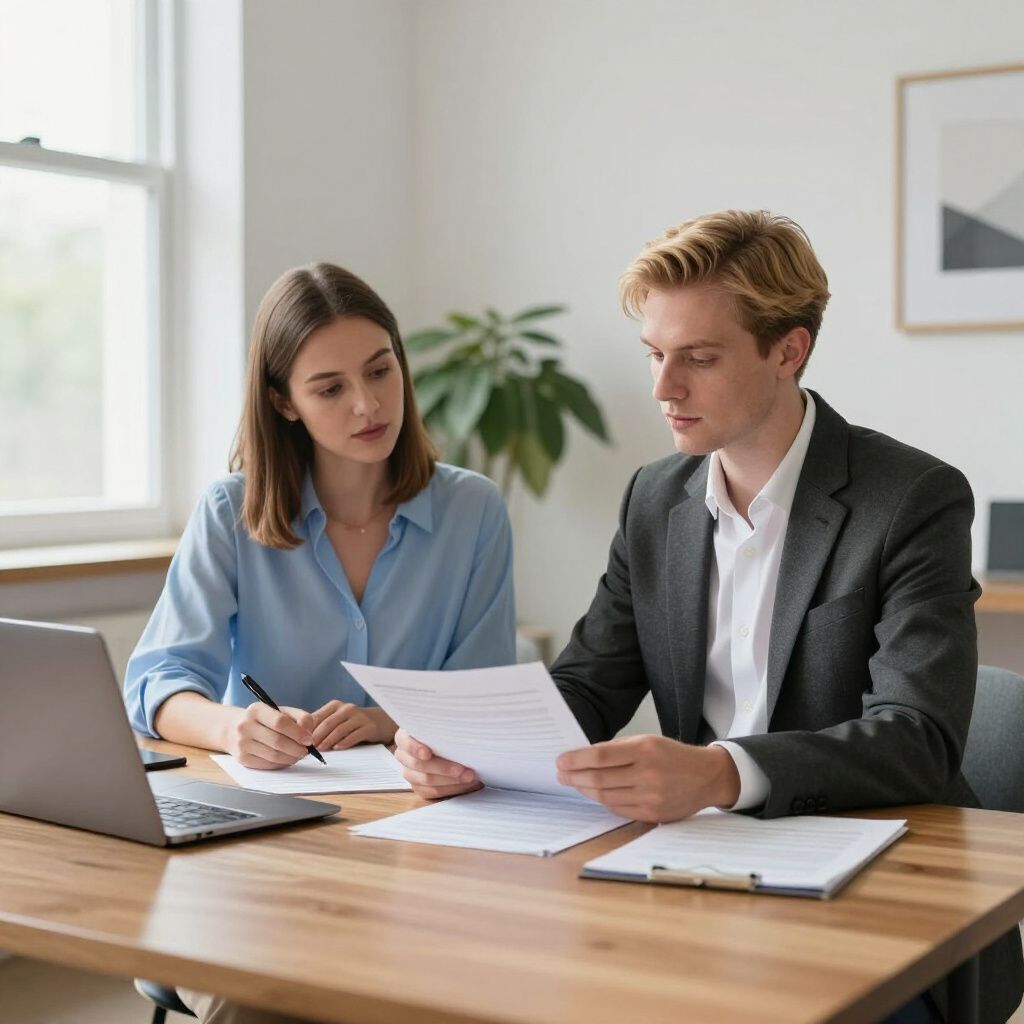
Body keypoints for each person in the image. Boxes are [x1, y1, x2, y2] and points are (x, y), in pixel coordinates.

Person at [394, 210, 1024, 1024]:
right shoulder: (657, 498)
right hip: (697, 874)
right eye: (656, 355)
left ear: (788, 349)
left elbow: (916, 736)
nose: (663, 388)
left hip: (879, 889)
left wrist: (724, 772)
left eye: (698, 358)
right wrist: (477, 750)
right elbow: (590, 683)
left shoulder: (908, 498)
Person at [124, 263, 516, 1024]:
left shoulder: (474, 511)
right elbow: (157, 684)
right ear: (284, 402)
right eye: (330, 387)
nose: (368, 405)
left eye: (380, 371)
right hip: (254, 856)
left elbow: (484, 701)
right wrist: (234, 729)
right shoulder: (229, 513)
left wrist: (388, 720)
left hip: (419, 849)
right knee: (263, 1003)